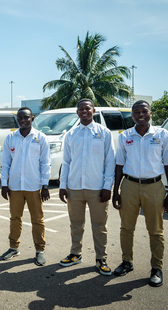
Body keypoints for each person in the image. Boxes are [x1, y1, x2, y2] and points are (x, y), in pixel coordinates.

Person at [112, 100, 168, 287]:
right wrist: (115, 191)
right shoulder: (125, 137)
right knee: (126, 228)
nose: (140, 114)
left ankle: (156, 268)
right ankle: (127, 262)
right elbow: (119, 166)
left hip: (154, 186)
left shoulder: (163, 135)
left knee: (156, 230)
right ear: (132, 115)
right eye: (136, 112)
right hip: (129, 186)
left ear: (150, 113)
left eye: (144, 111)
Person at [58, 99, 115, 275]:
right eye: (81, 109)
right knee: (76, 224)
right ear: (77, 112)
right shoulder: (71, 134)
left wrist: (107, 187)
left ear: (93, 110)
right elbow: (66, 162)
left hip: (96, 188)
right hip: (74, 187)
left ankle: (101, 258)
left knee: (99, 225)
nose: (84, 111)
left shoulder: (104, 133)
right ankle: (76, 254)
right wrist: (62, 185)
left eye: (87, 108)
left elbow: (110, 161)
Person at [1, 107, 51, 266]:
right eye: (19, 118)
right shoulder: (11, 137)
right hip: (15, 186)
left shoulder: (40, 138)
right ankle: (13, 247)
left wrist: (45, 185)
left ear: (32, 118)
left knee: (37, 219)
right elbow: (6, 163)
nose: (22, 120)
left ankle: (40, 250)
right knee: (15, 218)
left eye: (26, 117)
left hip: (34, 186)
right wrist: (4, 184)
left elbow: (45, 163)